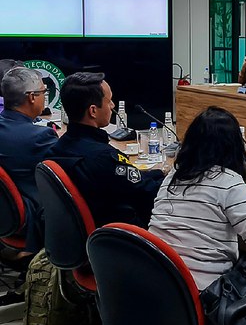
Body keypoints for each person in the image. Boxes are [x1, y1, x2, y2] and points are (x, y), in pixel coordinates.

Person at [149, 106, 246, 290]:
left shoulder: (173, 176)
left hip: (157, 287)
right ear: (235, 146)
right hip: (201, 297)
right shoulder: (229, 182)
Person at [47, 72, 164, 228]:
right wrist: (174, 178)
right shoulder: (105, 158)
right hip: (124, 235)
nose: (113, 105)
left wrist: (159, 172)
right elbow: (147, 192)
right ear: (93, 111)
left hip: (85, 234)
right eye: (109, 101)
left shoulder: (58, 148)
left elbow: (128, 180)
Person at [0, 67, 58, 265]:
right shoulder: (39, 137)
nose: (45, 97)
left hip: (6, 214)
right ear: (32, 97)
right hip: (29, 218)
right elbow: (68, 165)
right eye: (44, 92)